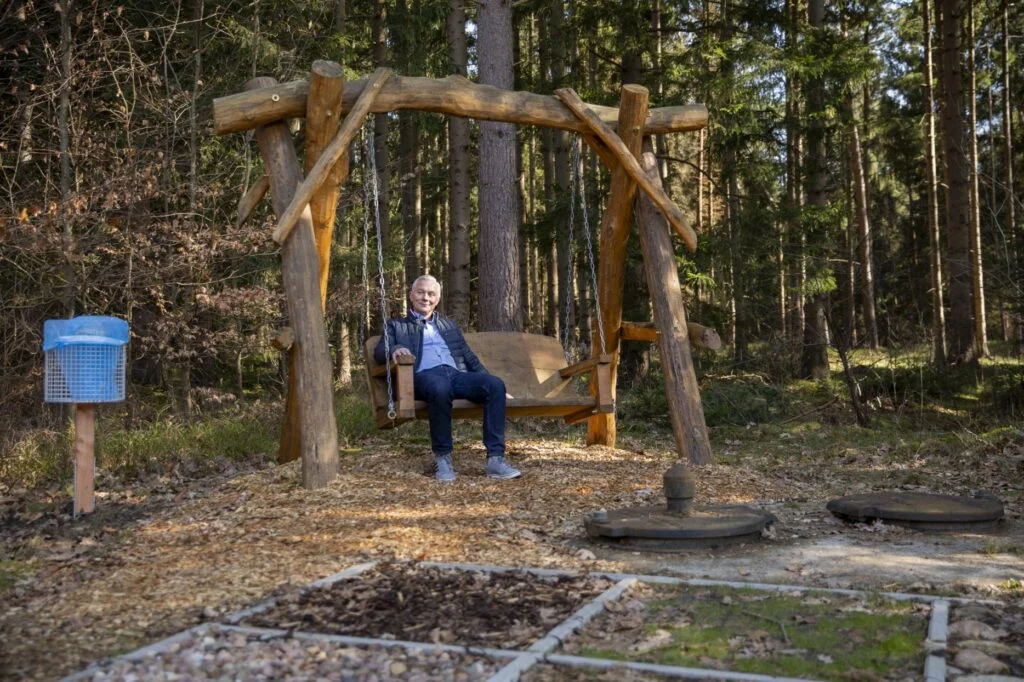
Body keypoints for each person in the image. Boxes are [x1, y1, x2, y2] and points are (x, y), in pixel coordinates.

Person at [374, 275, 521, 482]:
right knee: (440, 387)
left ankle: (495, 460)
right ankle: (443, 458)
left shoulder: (448, 326)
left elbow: (468, 357)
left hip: (456, 375)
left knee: (494, 385)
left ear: (437, 299)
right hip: (422, 377)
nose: (426, 297)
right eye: (421, 292)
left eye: (431, 294)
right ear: (411, 295)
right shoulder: (396, 326)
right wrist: (397, 349)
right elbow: (380, 351)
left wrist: (489, 380)